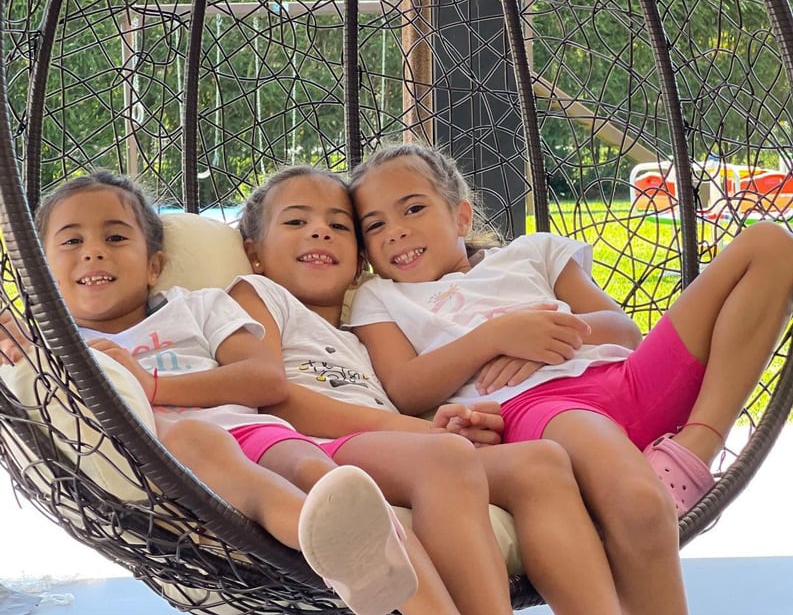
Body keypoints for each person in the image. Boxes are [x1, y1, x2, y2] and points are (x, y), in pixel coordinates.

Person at [346, 142, 793, 615]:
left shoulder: (532, 253)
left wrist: (547, 340)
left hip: (625, 378)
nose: (396, 231)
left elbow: (624, 329)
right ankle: (660, 481)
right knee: (640, 504)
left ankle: (693, 450)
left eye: (413, 208)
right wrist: (498, 336)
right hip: (543, 409)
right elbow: (404, 387)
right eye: (375, 226)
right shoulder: (382, 298)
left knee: (772, 245)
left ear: (461, 216)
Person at [0, 170, 465, 615]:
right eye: (72, 241)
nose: (94, 252)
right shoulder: (59, 349)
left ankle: (389, 569)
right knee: (206, 447)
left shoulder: (199, 306)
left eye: (116, 237)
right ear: (42, 271)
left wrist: (155, 384)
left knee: (327, 478)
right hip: (170, 457)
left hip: (255, 427)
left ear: (154, 265)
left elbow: (264, 378)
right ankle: (326, 536)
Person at [234, 165, 624, 615]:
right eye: (297, 222)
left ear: (360, 258)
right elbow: (275, 395)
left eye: (338, 225)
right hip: (312, 450)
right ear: (254, 252)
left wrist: (450, 424)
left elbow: (411, 396)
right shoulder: (259, 294)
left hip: (395, 448)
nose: (321, 232)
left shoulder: (367, 331)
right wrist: (425, 436)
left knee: (540, 462)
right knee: (447, 457)